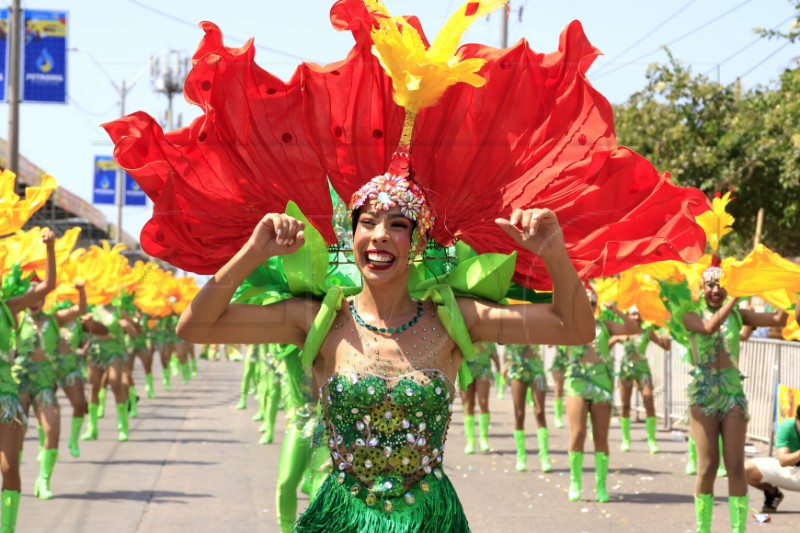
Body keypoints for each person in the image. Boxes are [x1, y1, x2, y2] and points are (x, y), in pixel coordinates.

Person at [682, 264, 787, 533]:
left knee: (735, 465)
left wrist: (783, 286)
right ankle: (703, 529)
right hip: (703, 397)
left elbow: (779, 321)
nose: (715, 290)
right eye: (710, 285)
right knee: (707, 466)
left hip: (732, 396)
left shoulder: (737, 315)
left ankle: (738, 529)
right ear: (701, 288)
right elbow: (707, 327)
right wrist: (735, 297)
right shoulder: (690, 316)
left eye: (721, 285)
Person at [0, 229, 56, 531]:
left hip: (6, 394)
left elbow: (47, 285)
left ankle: (6, 528)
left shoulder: (8, 308)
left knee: (9, 468)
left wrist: (49, 248)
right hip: (20, 380)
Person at [608, 304, 670, 454]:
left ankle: (651, 440)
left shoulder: (647, 332)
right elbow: (604, 346)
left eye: (638, 314)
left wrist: (666, 331)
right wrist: (616, 338)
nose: (635, 317)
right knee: (625, 405)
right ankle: (626, 439)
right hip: (625, 370)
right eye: (632, 314)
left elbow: (664, 346)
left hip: (642, 369)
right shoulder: (622, 331)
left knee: (648, 399)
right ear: (627, 317)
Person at [503, 343, 552, 472]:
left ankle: (544, 457)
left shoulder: (539, 321)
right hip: (517, 367)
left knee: (540, 412)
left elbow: (552, 340)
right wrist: (505, 364)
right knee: (519, 414)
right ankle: (521, 456)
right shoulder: (510, 322)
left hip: (536, 368)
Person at [745, 404, 800, 513]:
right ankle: (773, 493)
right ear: (797, 418)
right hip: (788, 471)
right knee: (744, 469)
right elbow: (783, 461)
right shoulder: (787, 427)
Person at [461, 342, 500, 455]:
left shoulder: (488, 337)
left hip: (483, 368)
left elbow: (496, 358)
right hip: (466, 368)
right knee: (468, 405)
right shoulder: (463, 333)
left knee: (483, 403)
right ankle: (470, 441)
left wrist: (499, 378)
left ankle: (483, 439)